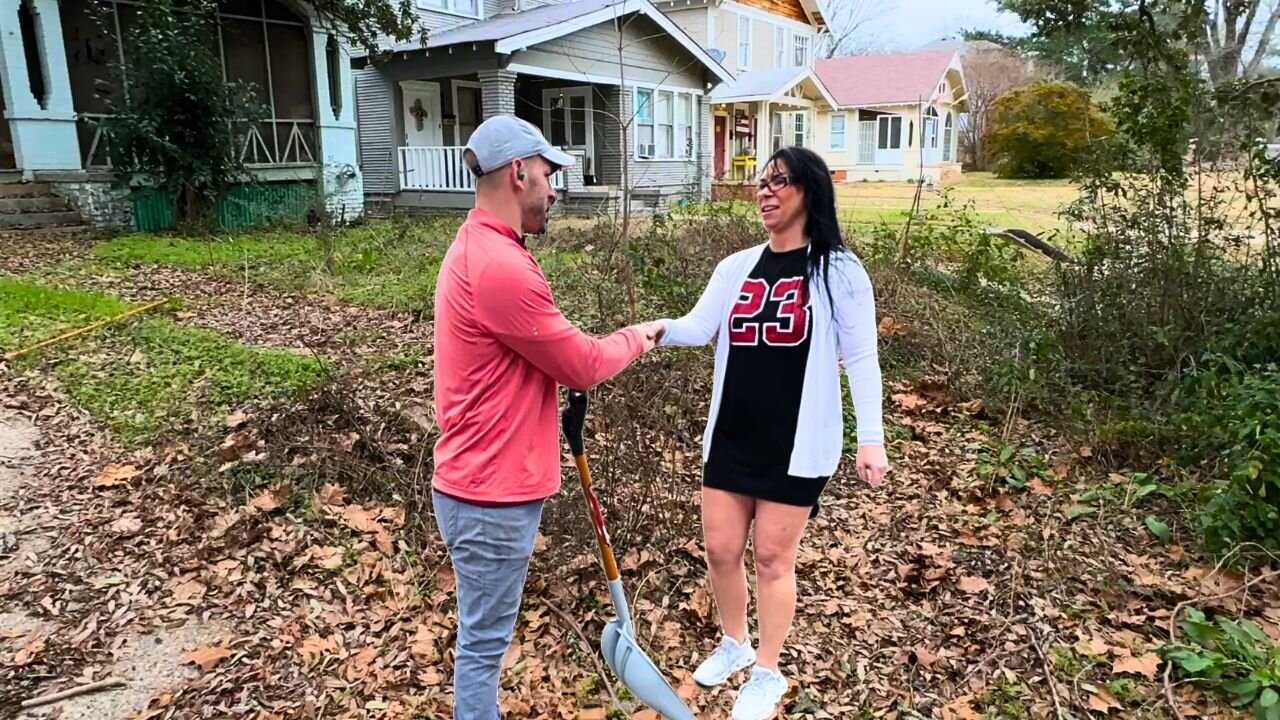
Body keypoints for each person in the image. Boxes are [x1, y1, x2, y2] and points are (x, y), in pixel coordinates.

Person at [431, 115, 663, 720]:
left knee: (480, 641)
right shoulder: (499, 266)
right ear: (517, 173)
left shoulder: (477, 247)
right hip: (489, 494)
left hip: (479, 485)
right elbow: (581, 363)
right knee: (482, 649)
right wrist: (641, 335)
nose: (554, 187)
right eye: (547, 173)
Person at [651, 146, 889, 720]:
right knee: (721, 549)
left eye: (779, 182)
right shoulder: (736, 267)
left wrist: (871, 437)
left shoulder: (839, 271)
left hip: (796, 442)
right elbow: (698, 327)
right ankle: (734, 642)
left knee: (773, 561)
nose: (765, 191)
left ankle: (766, 670)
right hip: (732, 434)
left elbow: (862, 358)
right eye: (761, 182)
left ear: (808, 191)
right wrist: (649, 331)